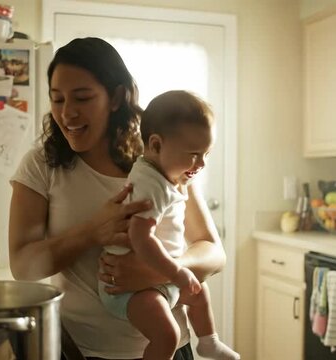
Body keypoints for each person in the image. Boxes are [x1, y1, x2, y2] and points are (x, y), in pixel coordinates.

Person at [8, 37, 227, 360]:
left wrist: (163, 270)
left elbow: (213, 252)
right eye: (57, 99)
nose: (67, 113)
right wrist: (94, 231)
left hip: (171, 347)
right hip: (83, 350)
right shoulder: (41, 164)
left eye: (82, 98)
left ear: (116, 97)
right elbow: (23, 265)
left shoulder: (158, 155)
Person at [99, 90, 240, 360]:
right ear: (155, 145)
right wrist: (176, 272)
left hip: (158, 278)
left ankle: (208, 342)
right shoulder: (150, 185)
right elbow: (141, 237)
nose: (201, 164)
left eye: (206, 154)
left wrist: (178, 274)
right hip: (129, 290)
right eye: (194, 154)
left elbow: (213, 252)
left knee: (199, 291)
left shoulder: (169, 176)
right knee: (167, 334)